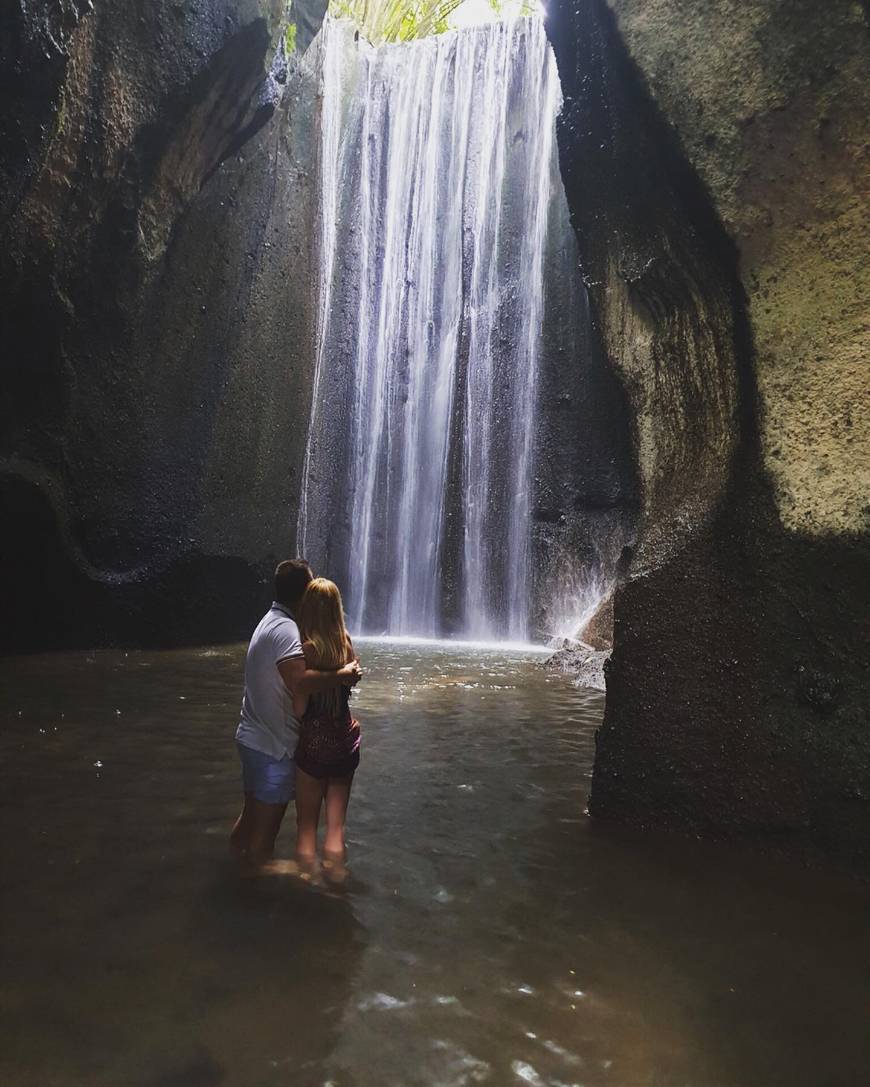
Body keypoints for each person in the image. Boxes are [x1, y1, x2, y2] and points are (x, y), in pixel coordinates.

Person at [230, 559, 361, 868]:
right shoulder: (289, 632)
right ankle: (256, 889)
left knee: (251, 820)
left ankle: (235, 874)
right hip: (272, 748)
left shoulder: (271, 621)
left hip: (255, 737)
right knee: (267, 832)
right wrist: (343, 674)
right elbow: (300, 683)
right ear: (304, 594)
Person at [292, 577, 361, 869]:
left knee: (307, 829)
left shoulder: (307, 650)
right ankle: (336, 881)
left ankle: (306, 886)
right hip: (345, 738)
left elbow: (299, 707)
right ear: (336, 608)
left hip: (315, 742)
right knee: (336, 828)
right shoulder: (346, 644)